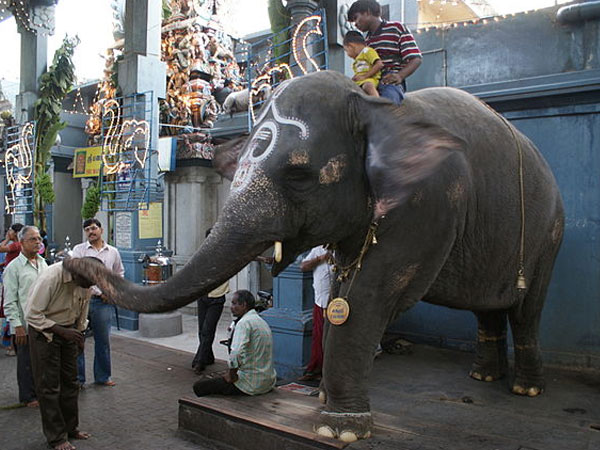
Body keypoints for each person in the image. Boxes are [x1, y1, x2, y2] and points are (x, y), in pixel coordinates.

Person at [25, 258, 101, 450]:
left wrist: (80, 334)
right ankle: (56, 437)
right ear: (76, 275)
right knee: (49, 386)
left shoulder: (86, 279)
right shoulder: (52, 277)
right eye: (88, 283)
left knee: (71, 383)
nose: (90, 287)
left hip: (70, 331)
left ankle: (71, 428)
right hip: (45, 332)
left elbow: (83, 310)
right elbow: (32, 314)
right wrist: (61, 331)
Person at [71, 218, 124, 387]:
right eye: (87, 229)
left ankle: (103, 377)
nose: (91, 232)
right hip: (82, 302)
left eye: (93, 228)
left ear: (101, 230)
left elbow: (119, 274)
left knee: (103, 341)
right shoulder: (79, 251)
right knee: (78, 339)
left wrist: (112, 293)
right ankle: (79, 379)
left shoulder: (113, 252)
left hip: (103, 302)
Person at [193, 290, 276, 397]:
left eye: (234, 303)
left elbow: (235, 353)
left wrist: (231, 375)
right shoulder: (261, 321)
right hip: (267, 382)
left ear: (244, 305)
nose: (231, 307)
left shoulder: (244, 323)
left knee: (199, 387)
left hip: (250, 385)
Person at [3, 226, 48, 406]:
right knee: (26, 362)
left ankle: (40, 392)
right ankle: (28, 396)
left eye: (39, 239)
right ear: (21, 243)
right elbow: (9, 300)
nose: (38, 242)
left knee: (42, 362)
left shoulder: (44, 263)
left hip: (44, 323)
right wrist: (18, 326)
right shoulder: (13, 268)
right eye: (33, 239)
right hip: (25, 324)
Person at [348, 0, 422, 104]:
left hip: (389, 79)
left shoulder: (396, 28)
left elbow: (416, 58)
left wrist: (400, 75)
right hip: (371, 78)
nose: (355, 24)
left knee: (387, 104)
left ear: (367, 12)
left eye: (356, 18)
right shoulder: (367, 40)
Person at [192, 229, 230, 374]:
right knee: (202, 329)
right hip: (203, 296)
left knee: (208, 330)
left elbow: (246, 256)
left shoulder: (227, 255)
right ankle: (208, 356)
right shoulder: (202, 254)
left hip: (217, 297)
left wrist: (263, 259)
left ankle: (199, 361)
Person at [299, 246, 332, 381]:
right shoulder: (317, 250)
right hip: (321, 302)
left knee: (333, 338)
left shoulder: (340, 251)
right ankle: (315, 369)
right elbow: (303, 266)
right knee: (318, 337)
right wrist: (320, 259)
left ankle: (330, 370)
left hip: (337, 304)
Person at [0, 222, 24, 357]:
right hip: (11, 276)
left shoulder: (16, 244)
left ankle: (12, 344)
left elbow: (1, 249)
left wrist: (8, 238)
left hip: (13, 280)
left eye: (10, 230)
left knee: (11, 308)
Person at [343, 30, 383, 97]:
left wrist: (365, 76)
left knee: (367, 86)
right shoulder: (356, 61)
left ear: (351, 46)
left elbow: (379, 64)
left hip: (370, 79)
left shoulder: (367, 51)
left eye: (346, 51)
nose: (347, 55)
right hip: (360, 82)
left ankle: (377, 102)